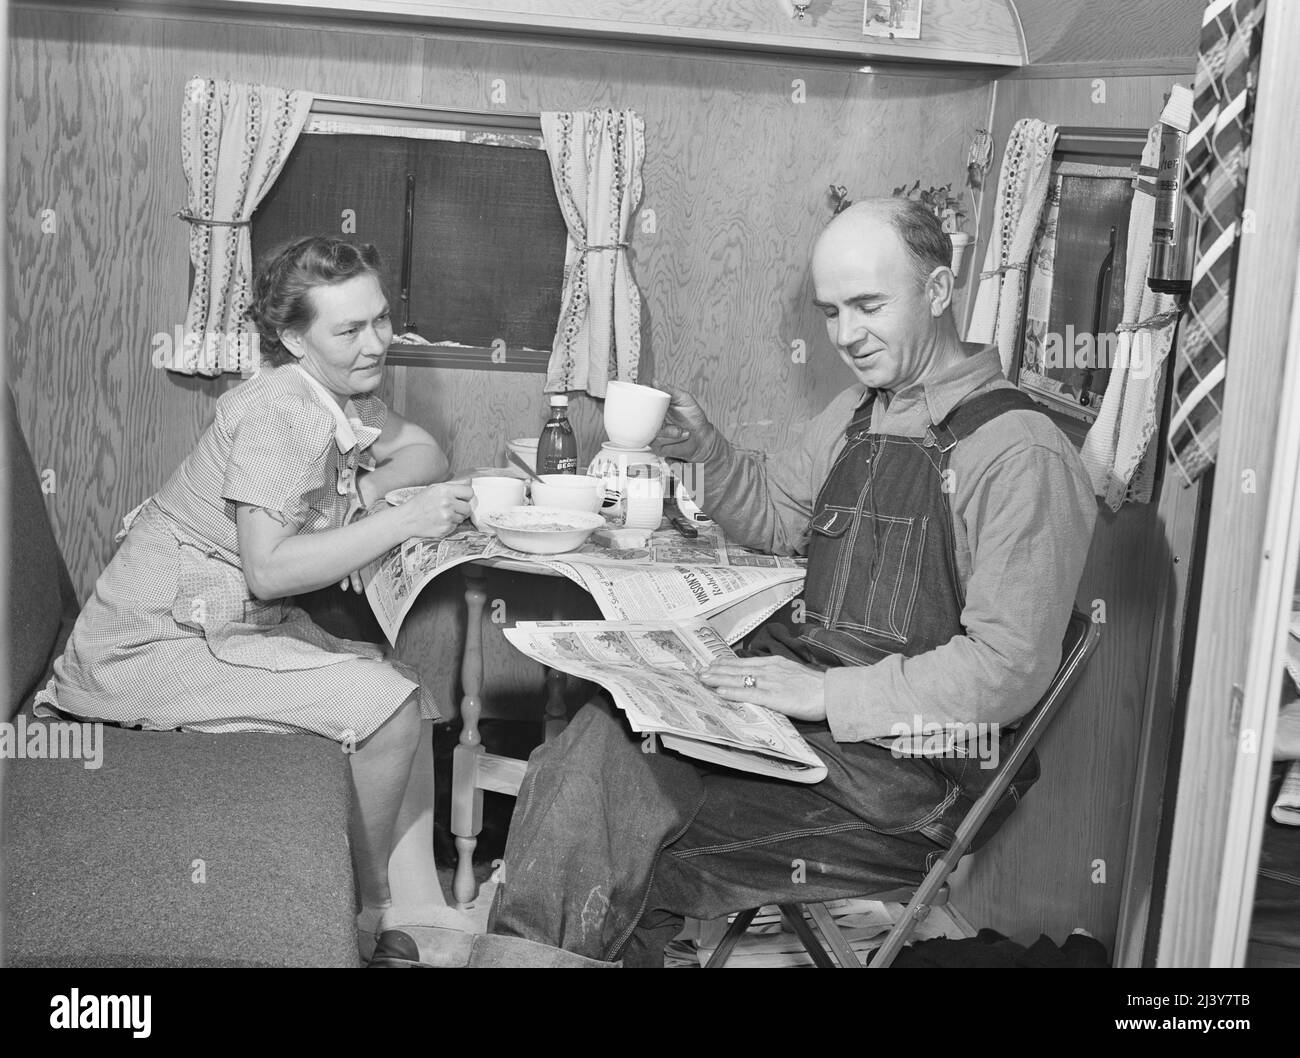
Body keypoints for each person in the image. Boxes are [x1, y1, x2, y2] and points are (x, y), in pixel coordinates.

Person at [488, 197, 1099, 966]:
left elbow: (1005, 672)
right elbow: (778, 519)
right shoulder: (856, 414)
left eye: (869, 307)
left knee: (612, 816)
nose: (845, 336)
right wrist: (706, 448)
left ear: (940, 292)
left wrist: (824, 696)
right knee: (592, 750)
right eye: (832, 312)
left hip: (906, 786)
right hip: (799, 736)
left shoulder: (1019, 454)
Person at [35, 236, 478, 963]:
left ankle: (418, 898)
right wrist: (402, 518)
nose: (375, 343)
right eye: (348, 330)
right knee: (391, 709)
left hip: (213, 617)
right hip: (148, 643)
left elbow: (415, 451)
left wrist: (367, 500)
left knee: (405, 686)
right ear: (292, 338)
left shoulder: (330, 392)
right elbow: (269, 572)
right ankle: (355, 926)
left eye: (380, 320)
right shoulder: (282, 412)